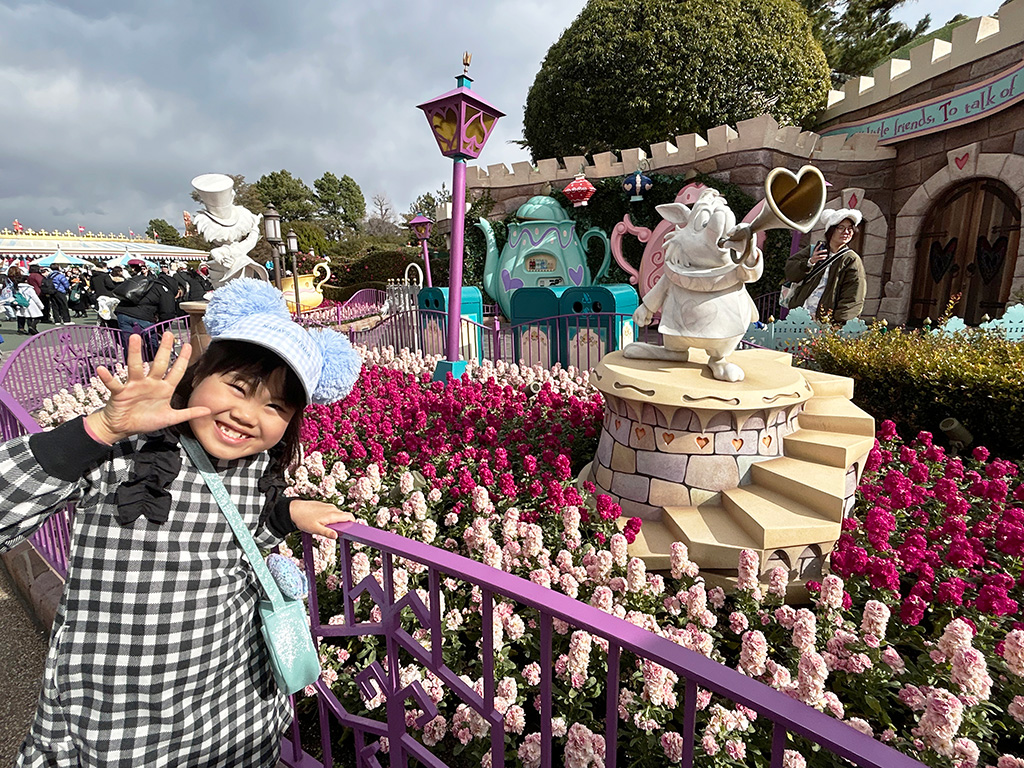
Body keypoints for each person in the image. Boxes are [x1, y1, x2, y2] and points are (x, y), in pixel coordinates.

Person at [0, 278, 362, 766]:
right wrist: (100, 430)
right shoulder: (126, 451)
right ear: (199, 374)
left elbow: (240, 539)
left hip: (232, 721)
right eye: (237, 387)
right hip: (111, 727)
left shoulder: (258, 467)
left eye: (275, 406)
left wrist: (286, 512)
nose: (247, 414)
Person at [783, 208, 866, 324]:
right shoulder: (814, 249)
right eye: (841, 227)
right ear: (830, 230)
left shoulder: (851, 259)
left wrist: (839, 322)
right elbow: (790, 272)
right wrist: (810, 262)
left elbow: (853, 295)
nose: (846, 232)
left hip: (825, 321)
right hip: (800, 315)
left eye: (850, 228)